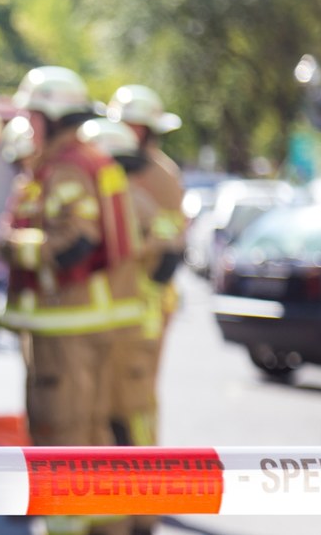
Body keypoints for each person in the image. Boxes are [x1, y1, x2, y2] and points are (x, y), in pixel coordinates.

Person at [0, 67, 143, 535]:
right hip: (81, 325)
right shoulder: (82, 161)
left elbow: (76, 242)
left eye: (34, 114)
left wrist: (11, 244)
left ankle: (68, 525)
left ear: (55, 117)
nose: (29, 123)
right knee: (92, 432)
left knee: (62, 432)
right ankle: (105, 523)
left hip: (67, 326)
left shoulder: (68, 168)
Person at [106, 85, 186, 535]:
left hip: (146, 307)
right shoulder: (124, 165)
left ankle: (143, 505)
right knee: (122, 406)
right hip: (128, 306)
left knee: (136, 406)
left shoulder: (158, 175)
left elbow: (168, 249)